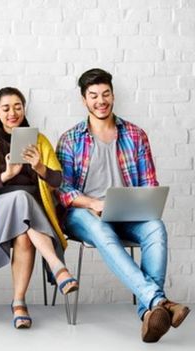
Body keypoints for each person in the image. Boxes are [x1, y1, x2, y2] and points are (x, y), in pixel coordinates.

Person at [57, 68, 190, 342]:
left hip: (126, 212)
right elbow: (63, 190)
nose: (100, 100)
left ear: (113, 96)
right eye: (93, 96)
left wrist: (142, 200)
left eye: (105, 94)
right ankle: (159, 301)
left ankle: (149, 313)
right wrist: (93, 203)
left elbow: (149, 183)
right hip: (83, 213)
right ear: (84, 100)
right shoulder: (70, 139)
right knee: (101, 230)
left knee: (156, 227)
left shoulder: (135, 134)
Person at [0, 87, 78, 329]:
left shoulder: (39, 140)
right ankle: (58, 266)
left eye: (17, 106)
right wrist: (6, 176)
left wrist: (40, 168)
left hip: (31, 216)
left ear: (24, 109)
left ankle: (18, 303)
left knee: (25, 238)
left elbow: (58, 181)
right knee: (20, 198)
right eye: (6, 108)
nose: (12, 112)